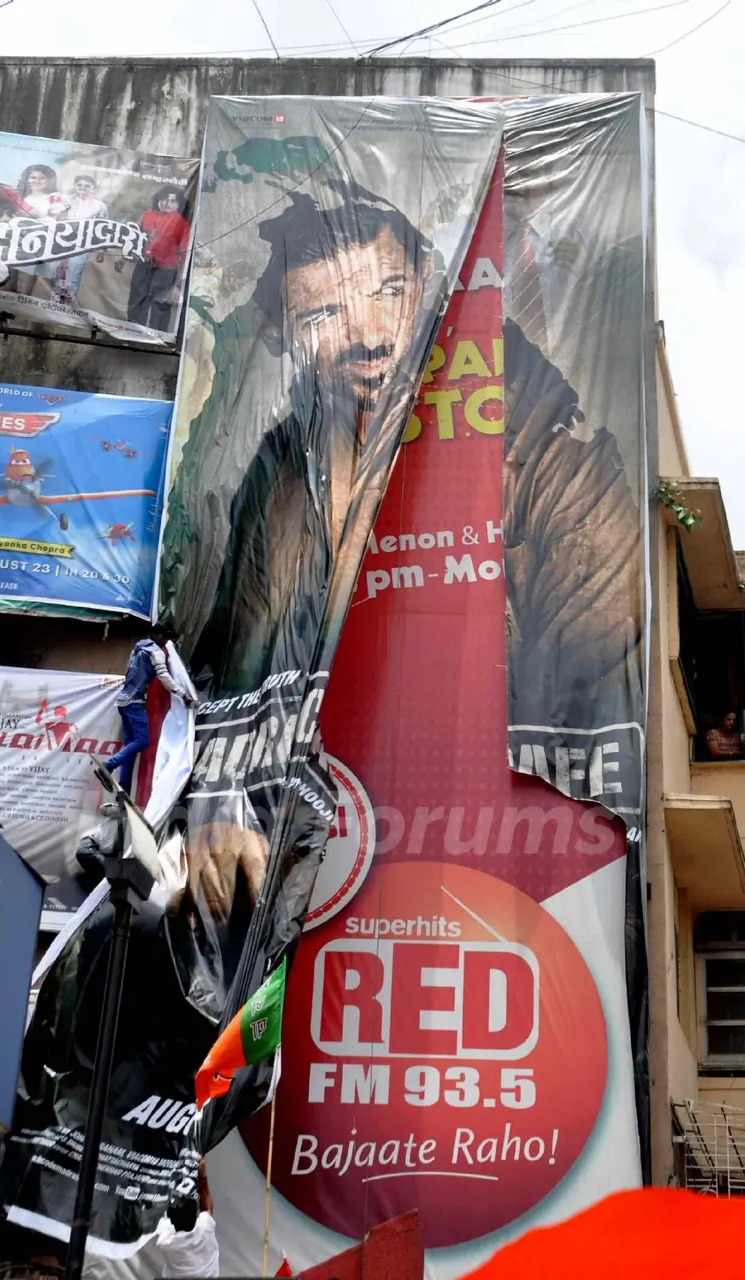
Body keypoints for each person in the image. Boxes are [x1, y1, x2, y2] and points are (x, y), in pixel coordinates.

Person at [184, 182, 640, 923]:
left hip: (503, 861)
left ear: (430, 287)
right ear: (288, 335)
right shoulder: (279, 480)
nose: (369, 332)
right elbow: (240, 667)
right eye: (326, 313)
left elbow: (594, 669)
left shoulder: (541, 438)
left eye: (389, 290)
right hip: (314, 862)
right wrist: (224, 794)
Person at [103, 624, 192, 795]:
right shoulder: (155, 652)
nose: (166, 642)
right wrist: (183, 695)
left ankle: (124, 789)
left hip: (123, 702)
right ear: (155, 635)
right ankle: (108, 766)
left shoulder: (137, 648)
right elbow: (164, 677)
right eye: (164, 637)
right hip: (135, 702)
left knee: (130, 746)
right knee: (143, 741)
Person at [128, 185, 191, 333]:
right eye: (164, 199)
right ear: (158, 199)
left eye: (172, 201)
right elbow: (134, 236)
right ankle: (132, 331)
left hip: (166, 268)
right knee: (137, 296)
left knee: (159, 302)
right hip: (144, 263)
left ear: (179, 205)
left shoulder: (181, 223)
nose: (167, 203)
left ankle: (157, 334)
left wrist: (180, 278)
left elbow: (185, 252)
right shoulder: (147, 215)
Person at [14, 163, 69, 296]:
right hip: (17, 243)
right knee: (15, 280)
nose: (37, 181)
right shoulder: (20, 197)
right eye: (33, 177)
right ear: (26, 179)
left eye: (42, 178)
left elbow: (62, 220)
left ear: (49, 180)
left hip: (42, 244)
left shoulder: (55, 198)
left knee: (33, 281)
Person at [54, 173, 108, 305]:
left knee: (73, 274)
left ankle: (67, 307)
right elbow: (53, 220)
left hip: (81, 245)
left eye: (87, 186)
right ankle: (54, 304)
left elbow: (102, 229)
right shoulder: (64, 200)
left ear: (93, 188)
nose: (82, 188)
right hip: (60, 242)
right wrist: (60, 212)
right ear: (74, 186)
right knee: (57, 273)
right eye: (79, 185)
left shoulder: (99, 206)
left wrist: (101, 249)